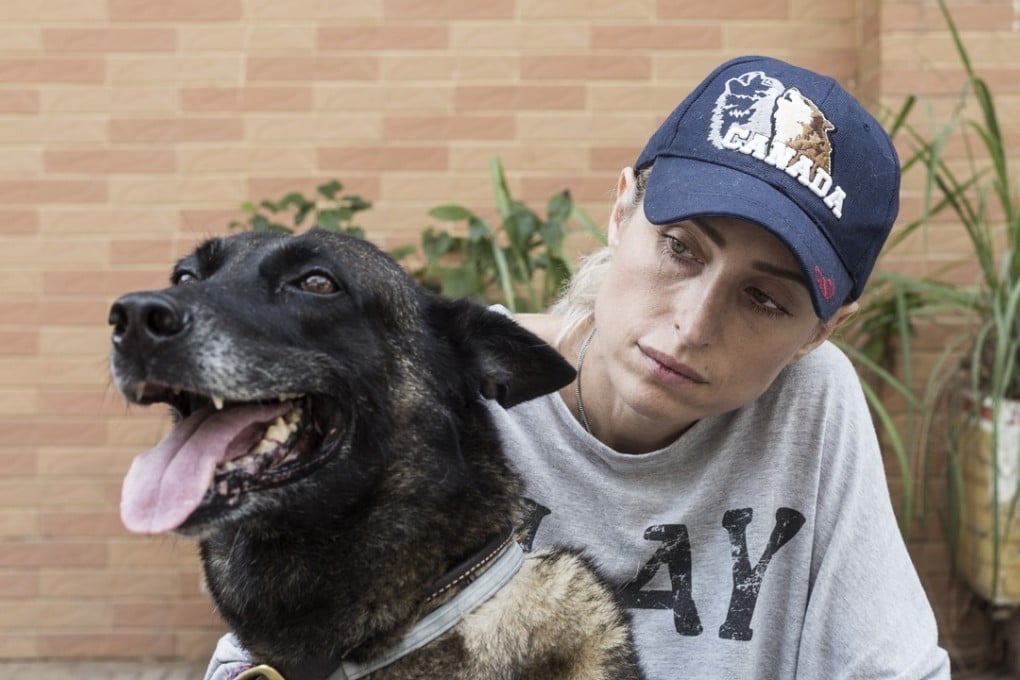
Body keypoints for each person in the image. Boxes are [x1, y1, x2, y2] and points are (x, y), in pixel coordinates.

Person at [207, 55, 951, 678]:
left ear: (821, 333)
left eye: (763, 298)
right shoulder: (449, 385)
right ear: (623, 211)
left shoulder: (810, 407)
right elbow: (255, 659)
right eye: (681, 248)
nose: (693, 325)